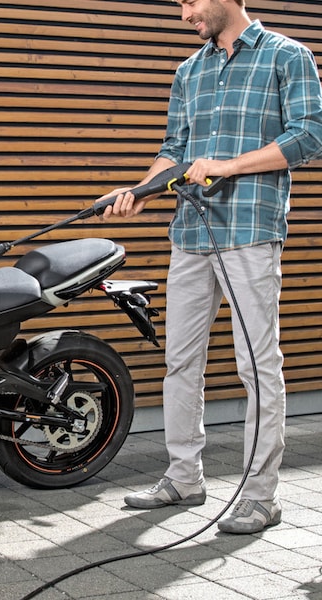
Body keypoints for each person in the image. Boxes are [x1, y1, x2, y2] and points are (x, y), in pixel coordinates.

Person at [99, 0, 322, 534]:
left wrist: (229, 166)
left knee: (257, 366)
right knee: (180, 361)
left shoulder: (286, 55)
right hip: (191, 233)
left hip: (249, 232)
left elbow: (309, 135)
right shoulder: (190, 70)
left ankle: (261, 497)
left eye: (190, 1)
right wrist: (141, 191)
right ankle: (183, 478)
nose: (184, 14)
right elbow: (175, 148)